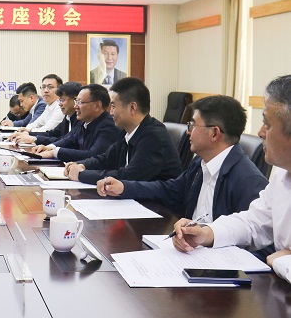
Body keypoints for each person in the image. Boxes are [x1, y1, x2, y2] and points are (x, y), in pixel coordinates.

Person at [172, 75, 291, 284]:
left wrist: (282, 261)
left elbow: (277, 257)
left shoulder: (248, 177)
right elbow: (254, 221)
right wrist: (207, 233)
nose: (260, 132)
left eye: (267, 124)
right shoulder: (283, 174)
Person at [97, 95, 268, 223]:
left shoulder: (248, 181)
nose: (188, 131)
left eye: (192, 125)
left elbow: (257, 244)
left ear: (214, 133)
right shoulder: (200, 163)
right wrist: (124, 187)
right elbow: (168, 190)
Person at [64, 77, 182, 184]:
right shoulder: (127, 131)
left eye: (113, 106)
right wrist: (81, 165)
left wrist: (81, 175)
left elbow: (128, 176)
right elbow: (105, 159)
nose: (110, 112)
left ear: (132, 108)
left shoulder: (153, 136)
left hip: (155, 201)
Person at [34, 84, 121, 162]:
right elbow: (69, 140)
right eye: (76, 101)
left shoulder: (109, 126)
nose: (75, 106)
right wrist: (49, 147)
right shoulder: (85, 122)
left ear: (97, 106)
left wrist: (55, 152)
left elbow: (93, 155)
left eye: (80, 102)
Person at [13, 82, 81, 145]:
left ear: (75, 100)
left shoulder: (80, 120)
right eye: (43, 87)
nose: (60, 104)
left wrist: (35, 139)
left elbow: (66, 141)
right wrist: (28, 133)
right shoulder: (67, 117)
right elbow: (52, 133)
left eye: (62, 100)